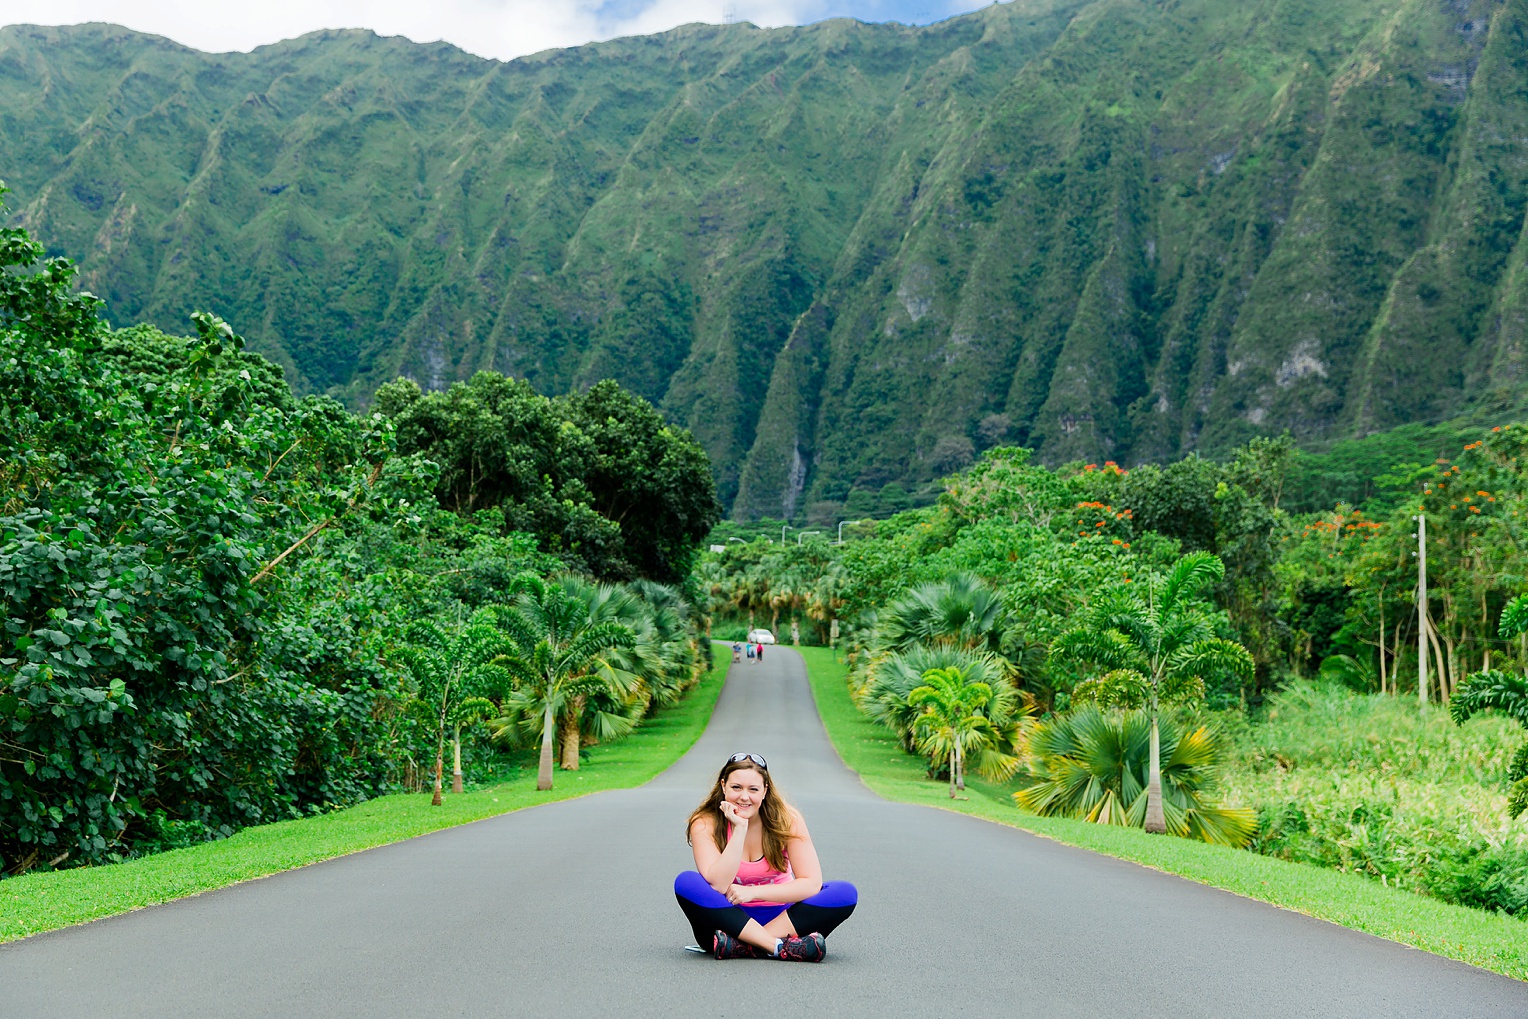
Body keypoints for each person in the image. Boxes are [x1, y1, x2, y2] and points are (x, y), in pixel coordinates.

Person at [674, 753, 857, 961]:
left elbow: (810, 883)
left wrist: (753, 893)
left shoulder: (787, 819)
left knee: (845, 893)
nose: (744, 797)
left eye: (753, 789)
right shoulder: (705, 823)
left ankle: (743, 947)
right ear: (723, 786)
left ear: (765, 791)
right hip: (725, 920)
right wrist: (739, 828)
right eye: (736, 788)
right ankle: (777, 946)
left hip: (783, 920)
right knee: (686, 882)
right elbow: (718, 884)